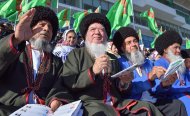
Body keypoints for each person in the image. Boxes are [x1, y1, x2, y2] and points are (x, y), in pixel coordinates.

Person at [46, 13, 175, 116]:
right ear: (85, 35)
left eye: (102, 30)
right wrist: (93, 70)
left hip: (117, 103)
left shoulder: (112, 58)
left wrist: (124, 83)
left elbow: (122, 89)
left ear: (106, 37)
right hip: (90, 103)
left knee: (147, 108)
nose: (97, 32)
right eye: (93, 29)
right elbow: (69, 82)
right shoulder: (76, 54)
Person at [0, 6, 73, 116]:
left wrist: (55, 100)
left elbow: (59, 86)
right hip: (8, 109)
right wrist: (16, 39)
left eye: (50, 27)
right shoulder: (15, 49)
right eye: (42, 25)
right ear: (30, 28)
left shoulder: (57, 62)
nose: (46, 29)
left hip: (43, 111)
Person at [112, 26, 187, 116]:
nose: (134, 44)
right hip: (133, 103)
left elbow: (155, 89)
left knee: (177, 105)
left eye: (135, 41)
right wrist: (149, 78)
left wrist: (164, 85)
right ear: (122, 48)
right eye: (129, 42)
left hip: (152, 100)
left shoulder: (147, 62)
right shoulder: (120, 63)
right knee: (149, 109)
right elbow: (127, 90)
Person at [154, 31, 190, 115]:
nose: (178, 51)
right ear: (165, 49)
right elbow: (158, 89)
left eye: (179, 48)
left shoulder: (181, 64)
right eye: (175, 47)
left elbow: (187, 82)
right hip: (170, 99)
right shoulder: (158, 64)